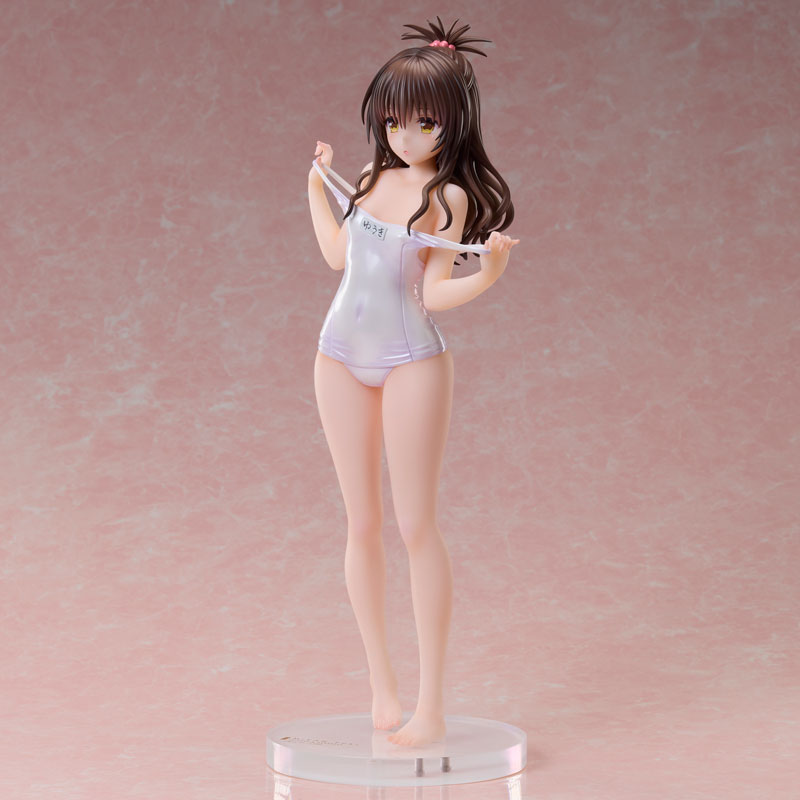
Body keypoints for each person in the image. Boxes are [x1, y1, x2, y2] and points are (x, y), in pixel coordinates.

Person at [307, 16, 519, 748]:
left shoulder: (448, 198)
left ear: (453, 122)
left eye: (424, 123)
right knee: (360, 525)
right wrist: (314, 185)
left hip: (412, 361)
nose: (406, 136)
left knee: (414, 526)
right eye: (395, 121)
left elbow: (433, 295)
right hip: (337, 355)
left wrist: (488, 271)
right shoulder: (370, 180)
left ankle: (431, 706)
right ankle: (381, 685)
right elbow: (338, 256)